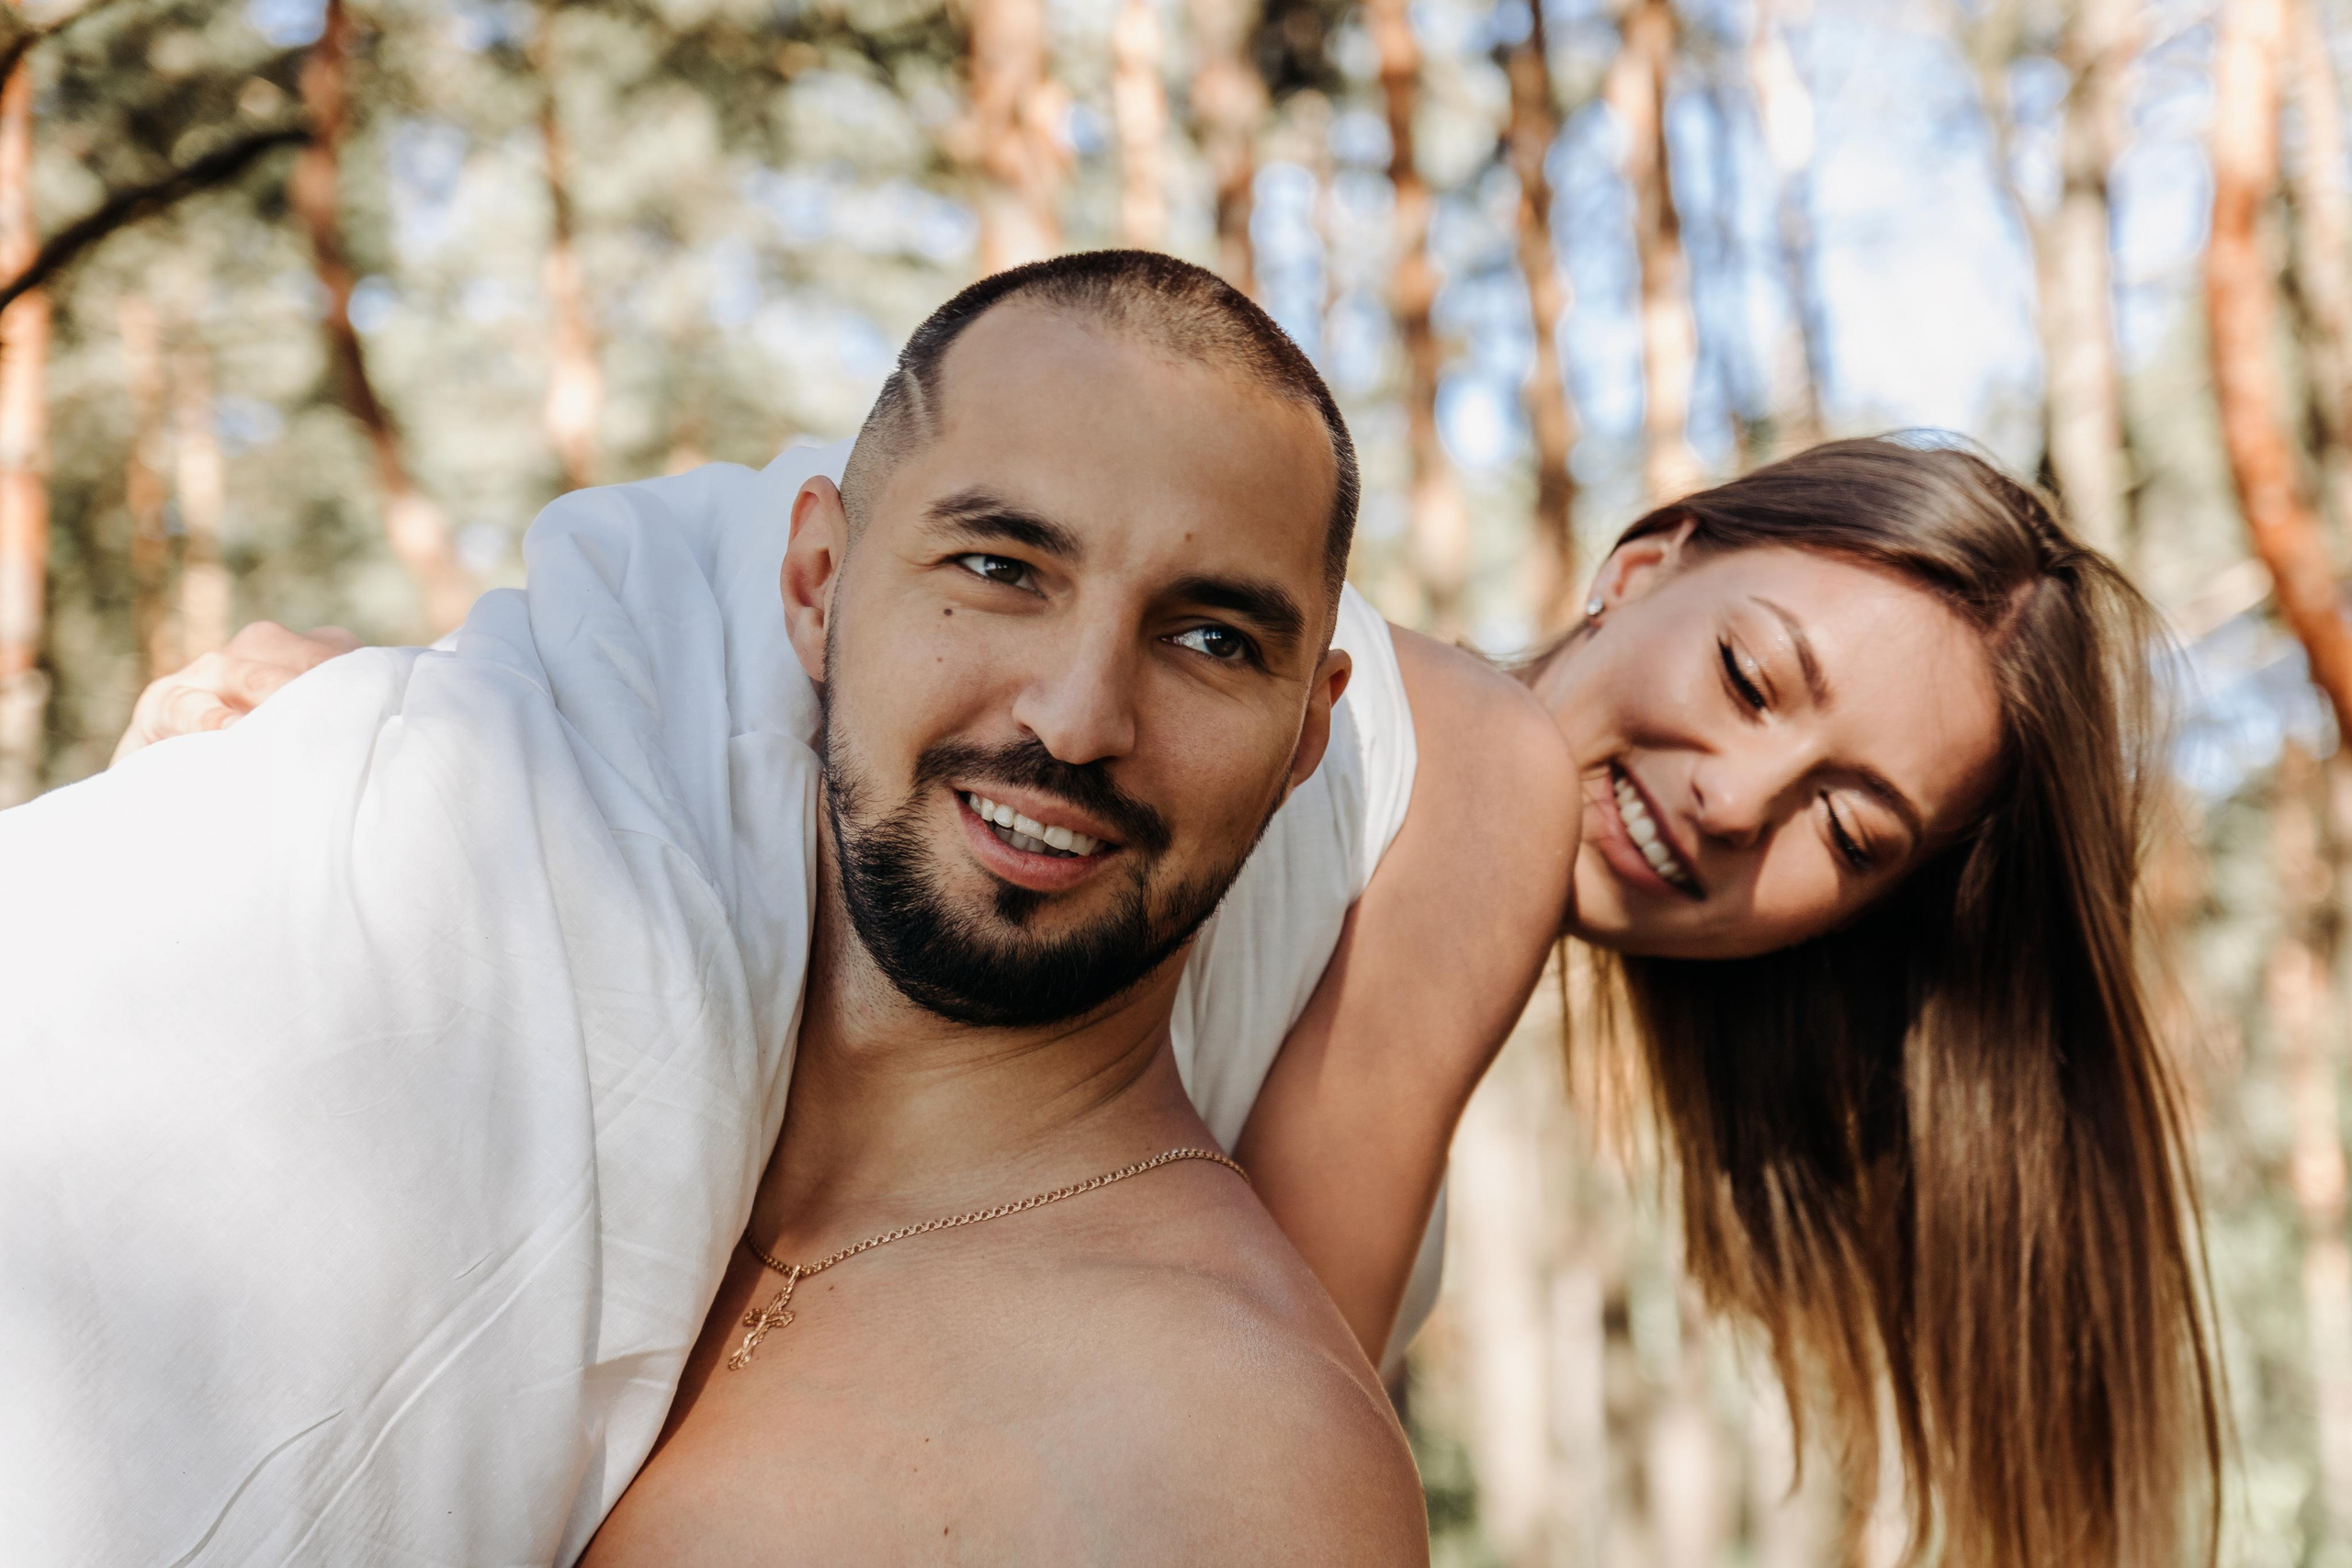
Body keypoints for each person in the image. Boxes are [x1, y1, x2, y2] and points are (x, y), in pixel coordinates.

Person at [121, 293, 2220, 1563]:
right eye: (1755, 681)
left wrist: (413, 721)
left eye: (1848, 828)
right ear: (1644, 563)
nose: (1736, 801)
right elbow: (1236, 1417)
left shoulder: (1301, 782)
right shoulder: (1481, 770)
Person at [1, 253, 1451, 1565]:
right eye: (1000, 569)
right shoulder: (509, 1081)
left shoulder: (1247, 1467)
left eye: (1211, 640)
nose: (1077, 719)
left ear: (1307, 734)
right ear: (817, 584)